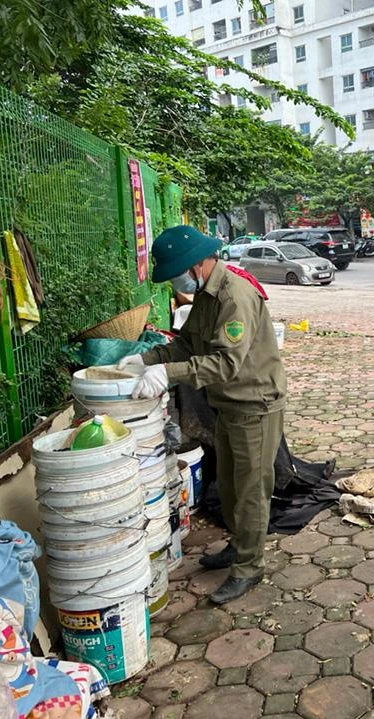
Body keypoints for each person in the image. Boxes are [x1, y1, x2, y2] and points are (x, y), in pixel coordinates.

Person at [118, 225, 287, 605]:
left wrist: (167, 374)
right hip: (229, 404)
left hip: (255, 405)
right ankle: (239, 545)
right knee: (228, 486)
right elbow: (187, 345)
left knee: (250, 492)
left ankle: (249, 567)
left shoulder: (234, 296)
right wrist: (146, 359)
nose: (175, 283)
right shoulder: (206, 296)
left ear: (195, 265)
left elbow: (226, 363)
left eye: (176, 274)